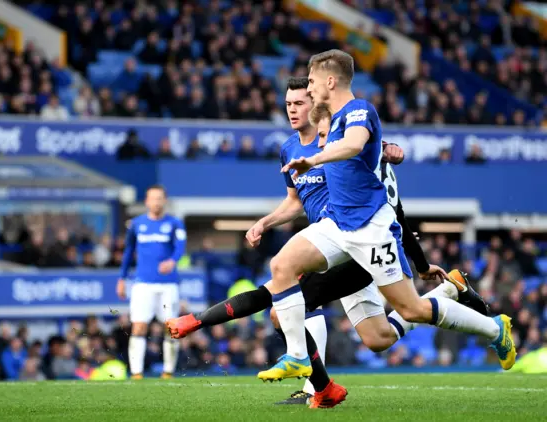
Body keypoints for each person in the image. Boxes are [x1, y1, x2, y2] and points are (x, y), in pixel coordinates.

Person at [166, 77, 489, 408]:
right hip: (327, 244)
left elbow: (367, 149)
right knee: (379, 338)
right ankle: (447, 292)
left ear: (316, 103)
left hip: (352, 242)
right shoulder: (289, 149)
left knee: (283, 304)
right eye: (288, 104)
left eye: (300, 103)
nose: (293, 110)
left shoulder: (341, 136)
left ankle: (318, 387)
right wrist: (265, 221)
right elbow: (294, 202)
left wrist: (388, 150)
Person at [270, 49, 514, 382]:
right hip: (336, 225)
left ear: (330, 80)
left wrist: (315, 159)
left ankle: (493, 329)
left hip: (370, 228)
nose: (308, 90)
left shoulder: (359, 111)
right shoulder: (331, 118)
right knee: (282, 266)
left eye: (311, 82)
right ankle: (298, 357)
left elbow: (355, 145)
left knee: (412, 309)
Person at [117, 185, 187, 379]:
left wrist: (172, 261)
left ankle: (168, 371)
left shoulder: (175, 223)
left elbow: (180, 247)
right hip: (143, 283)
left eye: (159, 198)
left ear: (164, 201)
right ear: (146, 201)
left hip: (168, 284)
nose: (156, 202)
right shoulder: (137, 224)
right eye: (152, 198)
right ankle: (137, 373)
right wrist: (121, 278)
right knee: (139, 326)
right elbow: (128, 252)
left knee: (170, 328)